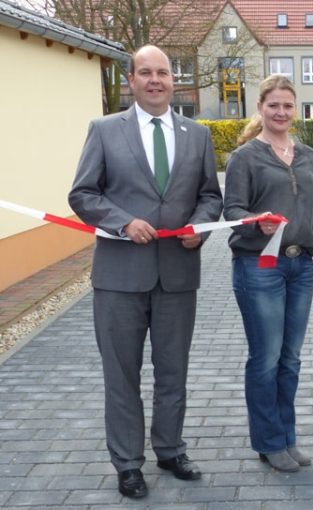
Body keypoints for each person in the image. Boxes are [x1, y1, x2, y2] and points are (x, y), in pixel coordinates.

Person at [68, 45, 223, 498]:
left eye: (163, 73)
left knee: (173, 371)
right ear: (130, 80)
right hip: (119, 276)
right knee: (122, 374)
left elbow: (211, 195)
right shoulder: (103, 130)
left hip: (178, 273)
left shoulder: (196, 134)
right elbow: (83, 194)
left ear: (173, 80)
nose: (155, 80)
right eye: (146, 73)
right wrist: (122, 221)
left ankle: (171, 449)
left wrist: (201, 227)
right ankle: (128, 462)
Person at [223, 75, 313, 473]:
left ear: (296, 109)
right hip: (259, 266)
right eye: (274, 105)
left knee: (290, 359)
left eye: (288, 105)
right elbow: (232, 212)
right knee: (266, 357)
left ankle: (286, 437)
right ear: (260, 108)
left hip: (299, 265)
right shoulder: (245, 157)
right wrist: (256, 222)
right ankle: (269, 441)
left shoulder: (307, 155)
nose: (281, 112)